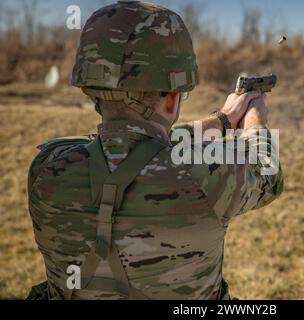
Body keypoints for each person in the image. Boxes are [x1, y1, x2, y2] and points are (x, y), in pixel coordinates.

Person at [27, 1, 283, 300]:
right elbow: (267, 169)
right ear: (173, 100)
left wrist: (222, 120)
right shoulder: (206, 175)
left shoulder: (47, 167)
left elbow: (136, 145)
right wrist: (255, 117)